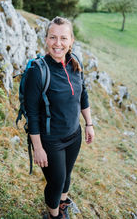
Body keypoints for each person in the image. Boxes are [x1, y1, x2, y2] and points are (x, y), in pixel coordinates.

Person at [24, 17, 95, 219]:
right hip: (50, 140)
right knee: (56, 181)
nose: (58, 43)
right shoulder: (37, 71)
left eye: (63, 38)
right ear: (46, 39)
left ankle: (63, 203)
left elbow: (83, 94)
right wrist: (38, 148)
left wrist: (89, 124)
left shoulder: (75, 62)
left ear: (71, 40)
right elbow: (32, 114)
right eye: (53, 37)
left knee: (66, 177)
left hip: (74, 134)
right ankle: (54, 215)